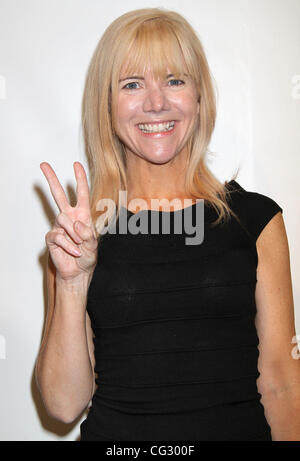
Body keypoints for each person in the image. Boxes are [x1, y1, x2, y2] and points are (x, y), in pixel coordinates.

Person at [35, 8, 299, 441]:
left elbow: (283, 383)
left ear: (199, 95)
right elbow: (63, 404)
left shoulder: (256, 220)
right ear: (107, 104)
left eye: (174, 80)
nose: (156, 103)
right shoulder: (79, 235)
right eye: (132, 84)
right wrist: (71, 282)